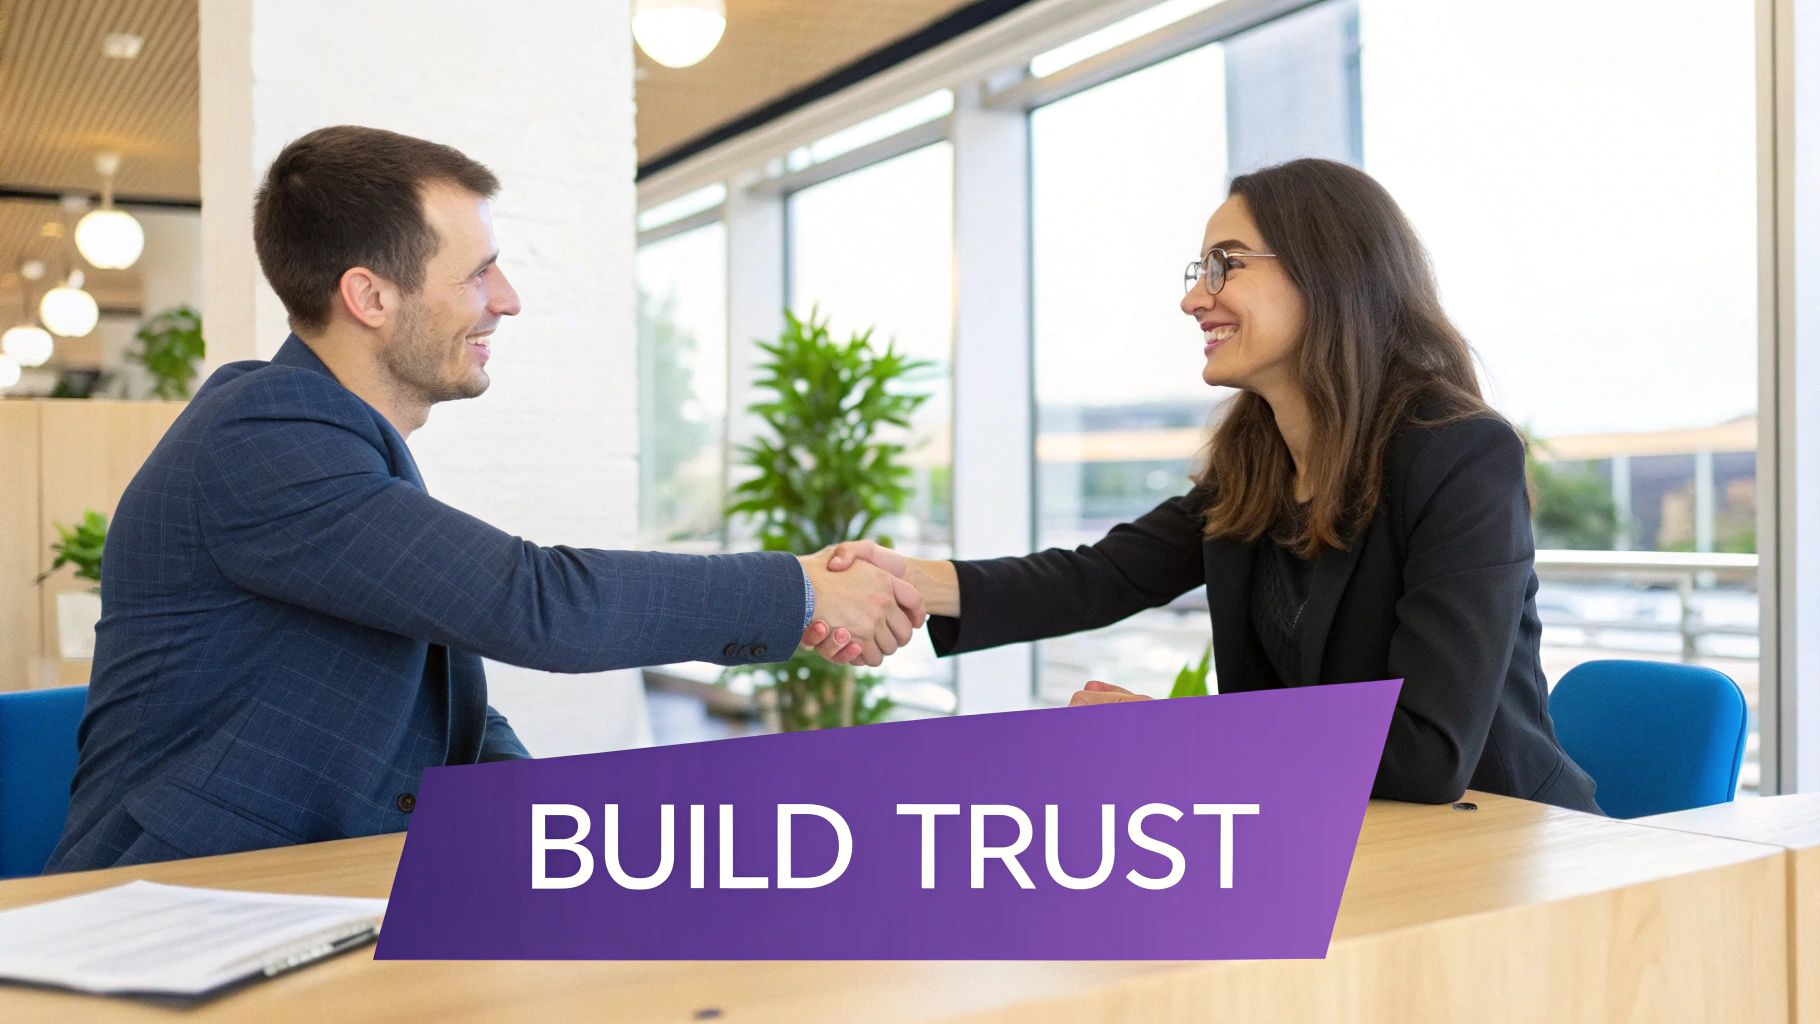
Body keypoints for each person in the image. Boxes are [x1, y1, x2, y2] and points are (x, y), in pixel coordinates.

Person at [49, 125, 916, 872]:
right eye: (478, 274)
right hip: (169, 909)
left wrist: (551, 830)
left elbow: (431, 692)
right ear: (371, 296)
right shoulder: (265, 437)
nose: (507, 300)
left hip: (300, 888)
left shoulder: (335, 443)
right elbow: (531, 601)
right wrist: (801, 588)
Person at [813, 158, 1601, 813]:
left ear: (1328, 272)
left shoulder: (1458, 454)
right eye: (1200, 270)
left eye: (1225, 265)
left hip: (1503, 843)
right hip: (1336, 831)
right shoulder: (1256, 465)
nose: (1194, 298)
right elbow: (1099, 577)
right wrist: (907, 580)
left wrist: (1167, 735)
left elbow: (1427, 753)